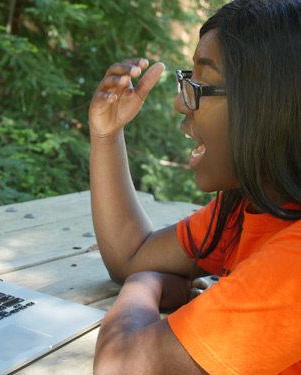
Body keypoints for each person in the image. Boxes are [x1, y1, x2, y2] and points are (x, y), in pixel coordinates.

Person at [89, 0, 301, 373]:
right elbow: (131, 253)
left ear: (271, 105)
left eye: (201, 85)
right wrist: (106, 136)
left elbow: (121, 367)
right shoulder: (250, 205)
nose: (179, 103)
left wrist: (143, 283)